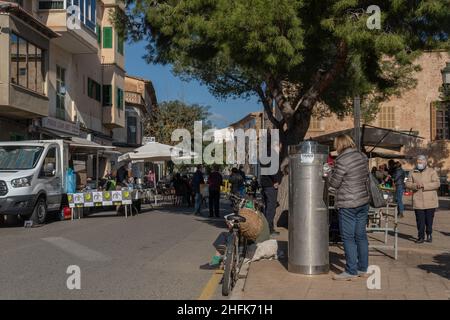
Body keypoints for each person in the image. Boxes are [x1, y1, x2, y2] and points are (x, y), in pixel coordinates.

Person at [327, 134, 370, 281]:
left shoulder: (342, 160)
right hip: (363, 201)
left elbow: (334, 184)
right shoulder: (362, 156)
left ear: (339, 145)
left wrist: (327, 173)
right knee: (361, 236)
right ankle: (363, 268)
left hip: (348, 203)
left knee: (348, 237)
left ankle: (351, 271)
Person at [200, 205, 271, 270]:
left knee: (224, 235)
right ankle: (224, 258)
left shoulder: (250, 217)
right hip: (261, 242)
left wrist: (231, 226)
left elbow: (245, 230)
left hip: (253, 243)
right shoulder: (259, 216)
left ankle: (216, 260)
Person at [405, 155, 440, 243]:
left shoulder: (432, 171)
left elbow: (437, 184)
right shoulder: (412, 172)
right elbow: (407, 184)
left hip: (430, 200)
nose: (419, 163)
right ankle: (420, 237)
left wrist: (424, 185)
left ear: (425, 162)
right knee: (420, 220)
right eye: (418, 161)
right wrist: (414, 186)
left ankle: (429, 233)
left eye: (421, 161)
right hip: (418, 200)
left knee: (429, 220)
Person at [260, 168, 280, 237]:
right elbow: (272, 170)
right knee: (271, 209)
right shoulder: (271, 157)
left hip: (265, 184)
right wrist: (275, 181)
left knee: (267, 208)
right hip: (270, 184)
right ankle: (267, 230)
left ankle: (268, 229)